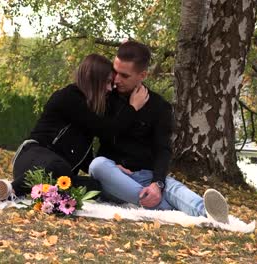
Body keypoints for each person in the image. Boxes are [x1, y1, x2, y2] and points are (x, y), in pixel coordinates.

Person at [89, 41, 230, 223]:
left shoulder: (160, 106)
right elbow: (105, 133)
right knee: (97, 165)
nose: (116, 80)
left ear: (142, 75)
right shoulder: (107, 97)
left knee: (174, 188)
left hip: (146, 176)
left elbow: (163, 149)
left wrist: (157, 183)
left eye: (124, 75)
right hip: (113, 176)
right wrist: (132, 109)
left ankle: (209, 212)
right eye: (115, 72)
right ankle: (167, 207)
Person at [0, 54, 149, 200]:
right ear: (94, 80)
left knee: (96, 186)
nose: (108, 89)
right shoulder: (70, 97)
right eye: (106, 83)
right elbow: (106, 130)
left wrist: (112, 168)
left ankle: (45, 193)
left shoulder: (89, 109)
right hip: (33, 158)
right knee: (59, 167)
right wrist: (132, 108)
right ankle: (10, 189)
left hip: (61, 173)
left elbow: (84, 158)